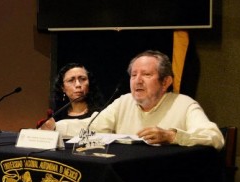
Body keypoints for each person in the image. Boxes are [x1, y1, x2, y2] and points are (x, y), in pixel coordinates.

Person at [56, 50, 224, 149]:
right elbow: (91, 126)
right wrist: (54, 127)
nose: (138, 81)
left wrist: (172, 136)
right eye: (134, 75)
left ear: (166, 82)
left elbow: (215, 137)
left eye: (147, 75)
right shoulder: (124, 102)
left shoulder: (184, 104)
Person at [37, 63, 103, 131]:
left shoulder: (101, 114)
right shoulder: (57, 117)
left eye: (83, 79)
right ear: (63, 88)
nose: (78, 85)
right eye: (71, 80)